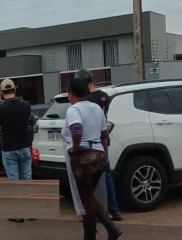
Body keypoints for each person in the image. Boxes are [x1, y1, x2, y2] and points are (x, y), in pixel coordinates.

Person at [62, 76, 122, 239]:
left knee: (86, 199)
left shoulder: (74, 109)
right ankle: (101, 232)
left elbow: (76, 129)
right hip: (99, 156)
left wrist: (74, 149)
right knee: (89, 196)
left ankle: (105, 231)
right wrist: (101, 153)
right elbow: (104, 134)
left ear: (71, 93)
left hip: (83, 159)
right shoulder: (96, 108)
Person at [83, 69, 122, 221]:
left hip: (89, 142)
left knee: (90, 178)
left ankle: (97, 211)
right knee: (106, 175)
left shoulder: (84, 99)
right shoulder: (104, 96)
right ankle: (114, 209)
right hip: (103, 140)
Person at [0, 79, 33, 223]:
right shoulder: (26, 106)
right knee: (27, 179)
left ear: (1, 93)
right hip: (24, 147)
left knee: (14, 181)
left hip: (9, 149)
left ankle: (18, 213)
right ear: (15, 90)